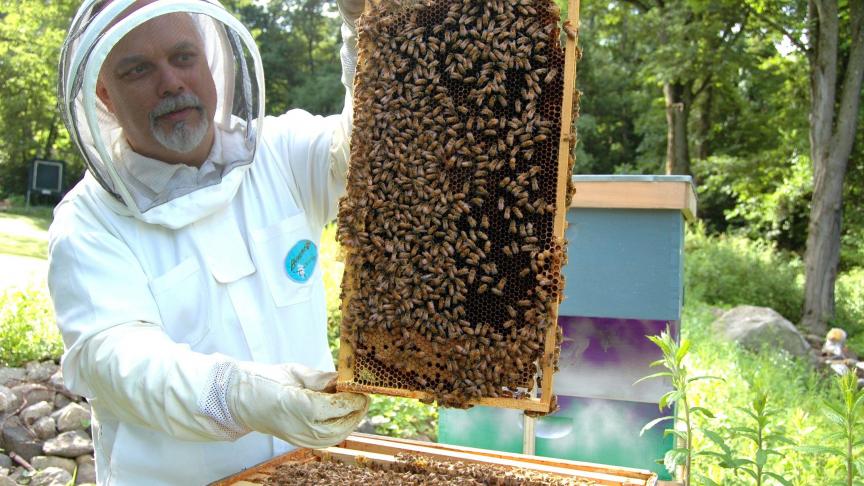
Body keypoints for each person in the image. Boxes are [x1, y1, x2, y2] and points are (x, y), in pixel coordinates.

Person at [48, 0, 369, 483]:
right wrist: (236, 395)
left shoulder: (280, 153)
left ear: (212, 59)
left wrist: (365, 31)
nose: (171, 82)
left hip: (315, 470)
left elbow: (373, 152)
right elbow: (116, 361)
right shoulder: (89, 223)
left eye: (183, 57)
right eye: (138, 69)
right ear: (104, 95)